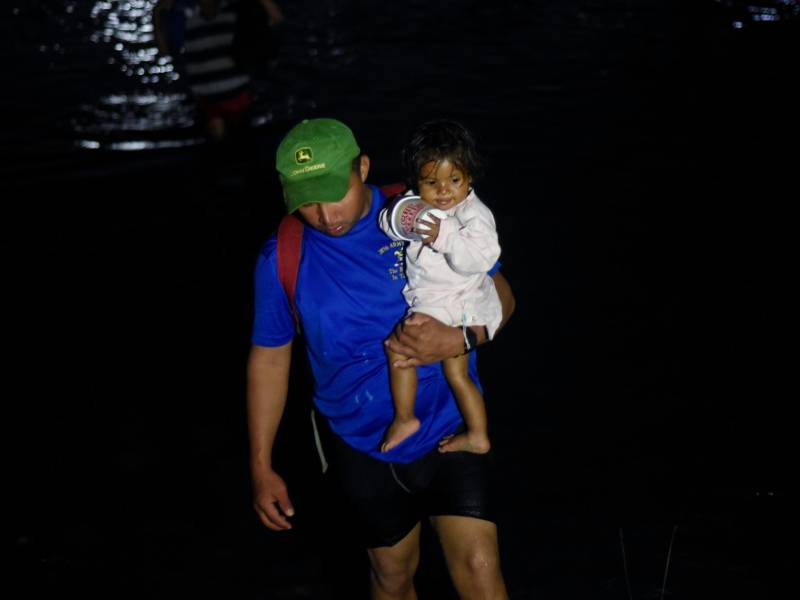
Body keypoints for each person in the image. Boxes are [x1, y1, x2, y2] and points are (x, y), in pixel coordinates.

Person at [247, 118, 515, 599]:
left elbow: (502, 293)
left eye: (336, 193)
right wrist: (262, 465)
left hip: (450, 426)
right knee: (392, 578)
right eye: (307, 201)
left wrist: (462, 341)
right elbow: (269, 361)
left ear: (363, 167)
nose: (327, 215)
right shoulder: (281, 259)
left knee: (480, 568)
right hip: (362, 444)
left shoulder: (420, 211)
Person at [378, 120, 501, 455]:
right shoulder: (422, 206)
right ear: (417, 183)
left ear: (469, 177)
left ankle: (406, 418)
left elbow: (480, 258)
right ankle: (478, 435)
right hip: (442, 299)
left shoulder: (474, 215)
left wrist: (444, 236)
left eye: (454, 180)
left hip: (455, 302)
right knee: (456, 373)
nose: (444, 191)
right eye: (432, 183)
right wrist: (404, 216)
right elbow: (389, 224)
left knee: (399, 350)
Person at [152, 0, 283, 141]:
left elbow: (276, 19)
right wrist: (157, 13)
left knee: (242, 146)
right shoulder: (186, 21)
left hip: (237, 104)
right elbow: (166, 50)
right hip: (209, 107)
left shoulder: (235, 14)